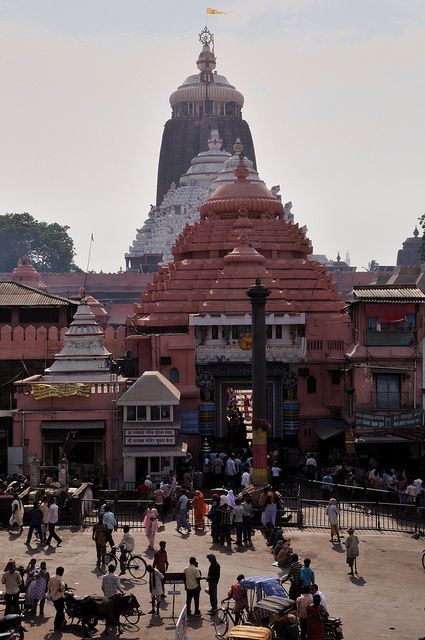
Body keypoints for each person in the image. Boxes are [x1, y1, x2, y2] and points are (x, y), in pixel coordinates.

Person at [48, 566, 66, 631]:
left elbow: (49, 586)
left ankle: (61, 623)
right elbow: (62, 588)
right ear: (62, 572)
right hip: (59, 597)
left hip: (54, 597)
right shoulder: (60, 579)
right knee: (60, 611)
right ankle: (57, 625)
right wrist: (61, 589)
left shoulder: (52, 577)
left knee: (59, 611)